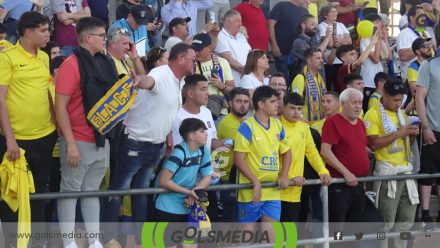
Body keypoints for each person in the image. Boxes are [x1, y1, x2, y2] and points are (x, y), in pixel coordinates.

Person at [105, 43, 196, 247]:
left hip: (155, 145)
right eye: (192, 59)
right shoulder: (161, 73)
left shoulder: (178, 80)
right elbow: (149, 81)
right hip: (136, 141)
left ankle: (140, 240)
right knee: (118, 190)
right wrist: (139, 80)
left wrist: (169, 134)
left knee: (141, 193)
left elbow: (169, 109)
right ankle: (109, 238)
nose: (195, 63)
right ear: (180, 58)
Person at [55, 17, 118, 248]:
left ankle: (93, 241)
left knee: (92, 191)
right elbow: (59, 106)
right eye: (102, 35)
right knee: (69, 192)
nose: (105, 39)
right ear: (88, 38)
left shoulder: (105, 61)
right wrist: (70, 142)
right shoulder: (71, 64)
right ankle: (69, 242)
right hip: (78, 140)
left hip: (101, 139)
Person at [0, 11, 57, 248]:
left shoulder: (44, 57)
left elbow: (47, 93)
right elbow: (1, 100)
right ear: (28, 32)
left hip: (45, 136)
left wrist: (57, 126)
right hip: (17, 141)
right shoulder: (7, 57)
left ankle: (38, 242)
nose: (48, 34)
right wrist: (11, 140)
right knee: (13, 195)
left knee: (40, 193)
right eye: (43, 30)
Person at [364, 79, 419, 248]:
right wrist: (399, 133)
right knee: (386, 222)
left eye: (400, 100)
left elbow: (404, 139)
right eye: (395, 100)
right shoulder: (372, 114)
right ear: (385, 96)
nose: (398, 103)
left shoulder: (401, 113)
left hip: (405, 171)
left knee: (406, 222)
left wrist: (412, 134)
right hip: (387, 172)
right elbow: (373, 143)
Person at [234, 85, 291, 242]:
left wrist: (285, 175)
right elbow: (238, 159)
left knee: (273, 239)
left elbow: (286, 152)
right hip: (250, 191)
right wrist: (255, 182)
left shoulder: (278, 125)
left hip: (272, 189)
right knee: (246, 239)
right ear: (260, 104)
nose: (277, 104)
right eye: (273, 101)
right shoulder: (247, 126)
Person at [155, 118, 213, 247]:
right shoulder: (179, 152)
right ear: (192, 136)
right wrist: (189, 192)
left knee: (192, 245)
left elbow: (208, 176)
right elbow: (164, 181)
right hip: (168, 208)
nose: (207, 134)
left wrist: (194, 194)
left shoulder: (203, 150)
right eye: (202, 131)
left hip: (189, 207)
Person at [280, 92, 332, 222]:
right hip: (277, 187)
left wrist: (323, 171)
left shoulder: (304, 127)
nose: (296, 112)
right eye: (292, 108)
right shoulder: (275, 126)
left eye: (299, 109)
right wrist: (289, 177)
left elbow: (312, 152)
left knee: (291, 232)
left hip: (296, 188)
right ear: (283, 107)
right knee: (276, 233)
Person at [321, 88, 369, 225]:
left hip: (359, 184)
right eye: (354, 102)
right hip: (340, 186)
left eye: (360, 103)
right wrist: (346, 173)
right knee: (338, 229)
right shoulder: (332, 122)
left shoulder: (360, 123)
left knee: (356, 228)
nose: (358, 106)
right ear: (343, 103)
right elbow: (325, 151)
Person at [216, 87, 250, 221]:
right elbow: (246, 145)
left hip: (239, 176)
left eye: (246, 102)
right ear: (230, 103)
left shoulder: (246, 122)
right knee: (228, 219)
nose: (242, 105)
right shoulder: (227, 123)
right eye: (239, 101)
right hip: (226, 178)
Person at [416, 51, 440, 230]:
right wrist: (425, 127)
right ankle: (425, 213)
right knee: (427, 172)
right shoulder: (429, 65)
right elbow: (419, 97)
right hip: (432, 128)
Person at [192, 32, 234, 119]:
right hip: (196, 111)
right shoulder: (190, 63)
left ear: (209, 48)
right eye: (194, 50)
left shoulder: (222, 62)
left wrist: (222, 86)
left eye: (199, 50)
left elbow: (233, 89)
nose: (196, 53)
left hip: (218, 112)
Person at [268, 0, 308, 79]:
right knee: (284, 79)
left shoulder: (305, 11)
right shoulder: (281, 6)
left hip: (299, 55)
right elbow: (270, 25)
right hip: (283, 52)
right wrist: (274, 45)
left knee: (297, 79)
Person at [317, 3, 351, 90]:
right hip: (328, 62)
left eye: (336, 11)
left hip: (341, 62)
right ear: (325, 15)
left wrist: (337, 41)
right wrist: (340, 40)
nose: (335, 13)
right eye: (332, 12)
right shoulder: (321, 26)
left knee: (340, 87)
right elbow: (329, 44)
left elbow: (349, 41)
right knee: (327, 86)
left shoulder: (340, 25)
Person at [397, 6, 435, 82]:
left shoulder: (425, 32)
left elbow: (431, 52)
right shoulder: (405, 33)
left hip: (427, 75)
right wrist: (421, 48)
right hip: (412, 78)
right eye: (420, 14)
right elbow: (403, 56)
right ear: (412, 18)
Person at [291, 47, 327, 125]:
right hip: (305, 125)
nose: (322, 61)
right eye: (318, 58)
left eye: (322, 58)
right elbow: (294, 102)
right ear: (309, 61)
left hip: (320, 124)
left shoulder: (320, 79)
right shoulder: (300, 78)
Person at [360, 14, 388, 111]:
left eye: (379, 23)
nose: (378, 26)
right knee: (368, 109)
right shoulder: (365, 39)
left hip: (379, 82)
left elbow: (389, 57)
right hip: (368, 81)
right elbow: (376, 59)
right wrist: (378, 42)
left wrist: (384, 38)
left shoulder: (378, 39)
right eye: (376, 23)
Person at [215, 9, 251, 85]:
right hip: (235, 82)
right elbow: (228, 59)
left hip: (248, 79)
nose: (240, 24)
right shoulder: (221, 36)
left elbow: (251, 54)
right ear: (228, 23)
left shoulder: (241, 36)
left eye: (241, 21)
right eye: (237, 21)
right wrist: (247, 71)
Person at [291, 14, 331, 78]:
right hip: (307, 82)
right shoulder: (298, 42)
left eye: (316, 25)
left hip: (320, 81)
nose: (315, 27)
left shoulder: (314, 41)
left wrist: (335, 47)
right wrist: (327, 38)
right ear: (303, 26)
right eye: (312, 24)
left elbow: (328, 60)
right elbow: (315, 54)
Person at [407, 37, 432, 115]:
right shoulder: (413, 67)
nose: (429, 48)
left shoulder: (431, 63)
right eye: (425, 46)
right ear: (418, 51)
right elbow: (415, 92)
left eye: (429, 45)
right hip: (418, 112)